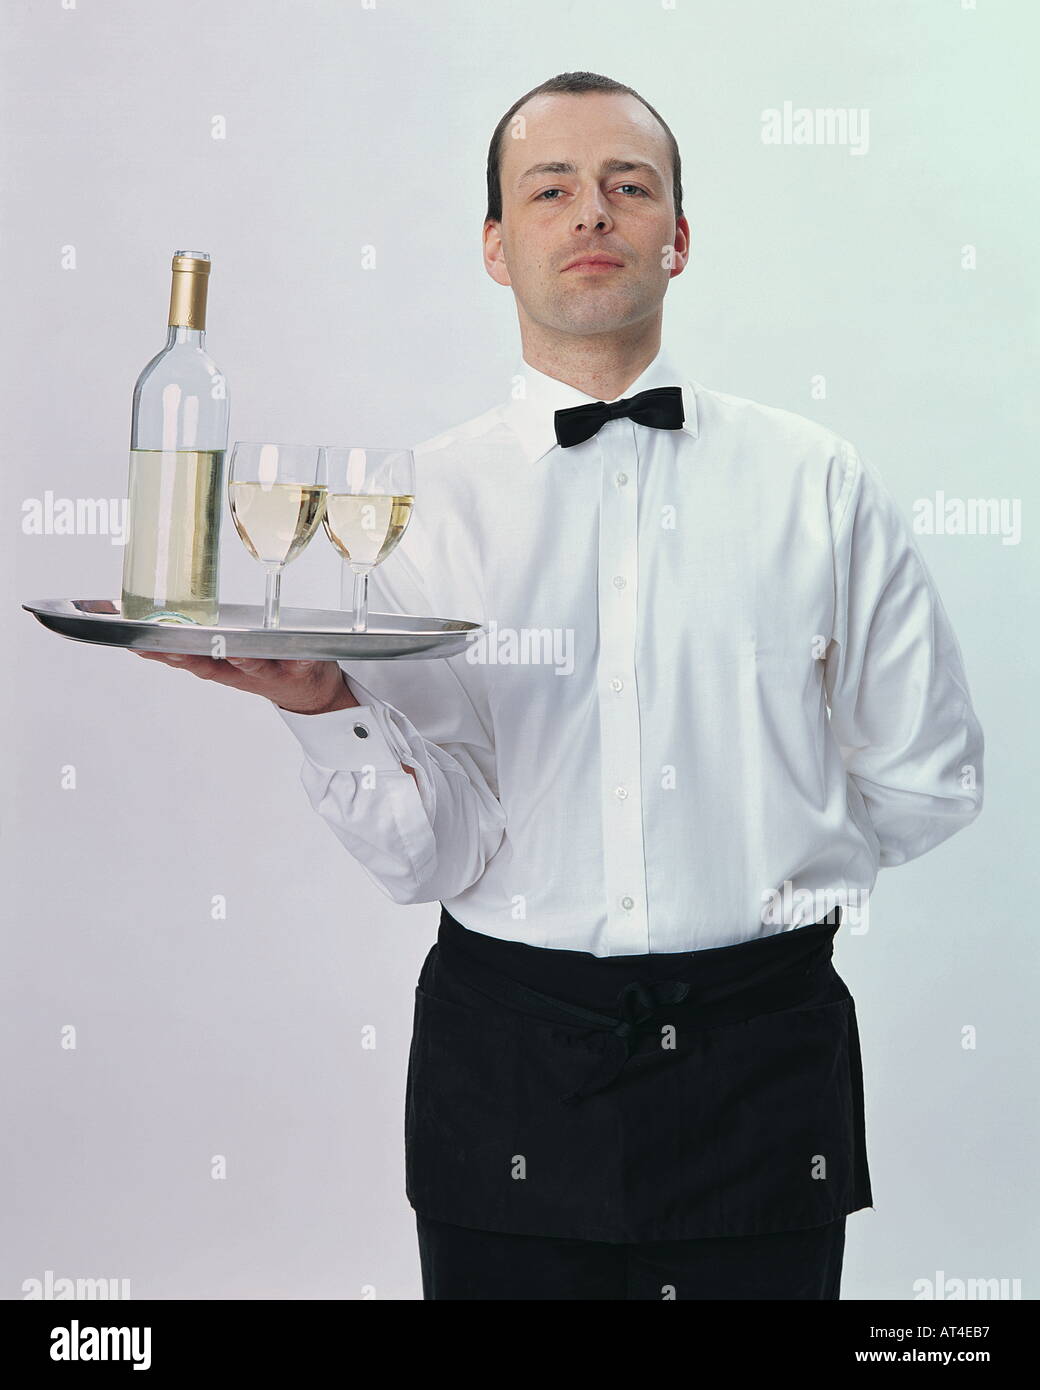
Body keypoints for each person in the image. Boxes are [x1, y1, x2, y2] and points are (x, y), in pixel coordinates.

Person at [136, 72, 985, 1300]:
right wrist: (322, 705)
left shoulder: (818, 484)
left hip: (765, 1065)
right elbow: (431, 857)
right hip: (507, 1065)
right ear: (496, 246)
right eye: (550, 189)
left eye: (627, 187)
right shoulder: (411, 507)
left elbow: (929, 781)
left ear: (676, 238)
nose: (592, 213)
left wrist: (765, 841)